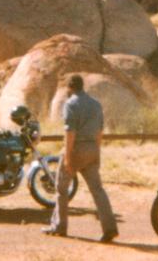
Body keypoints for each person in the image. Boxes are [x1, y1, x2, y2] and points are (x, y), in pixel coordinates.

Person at [42, 75, 118, 242]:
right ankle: (110, 227)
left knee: (61, 189)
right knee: (98, 190)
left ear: (70, 88)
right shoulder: (96, 104)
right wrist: (96, 152)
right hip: (92, 148)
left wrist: (68, 157)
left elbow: (70, 133)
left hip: (76, 148)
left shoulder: (70, 104)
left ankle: (60, 226)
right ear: (82, 86)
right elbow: (100, 131)